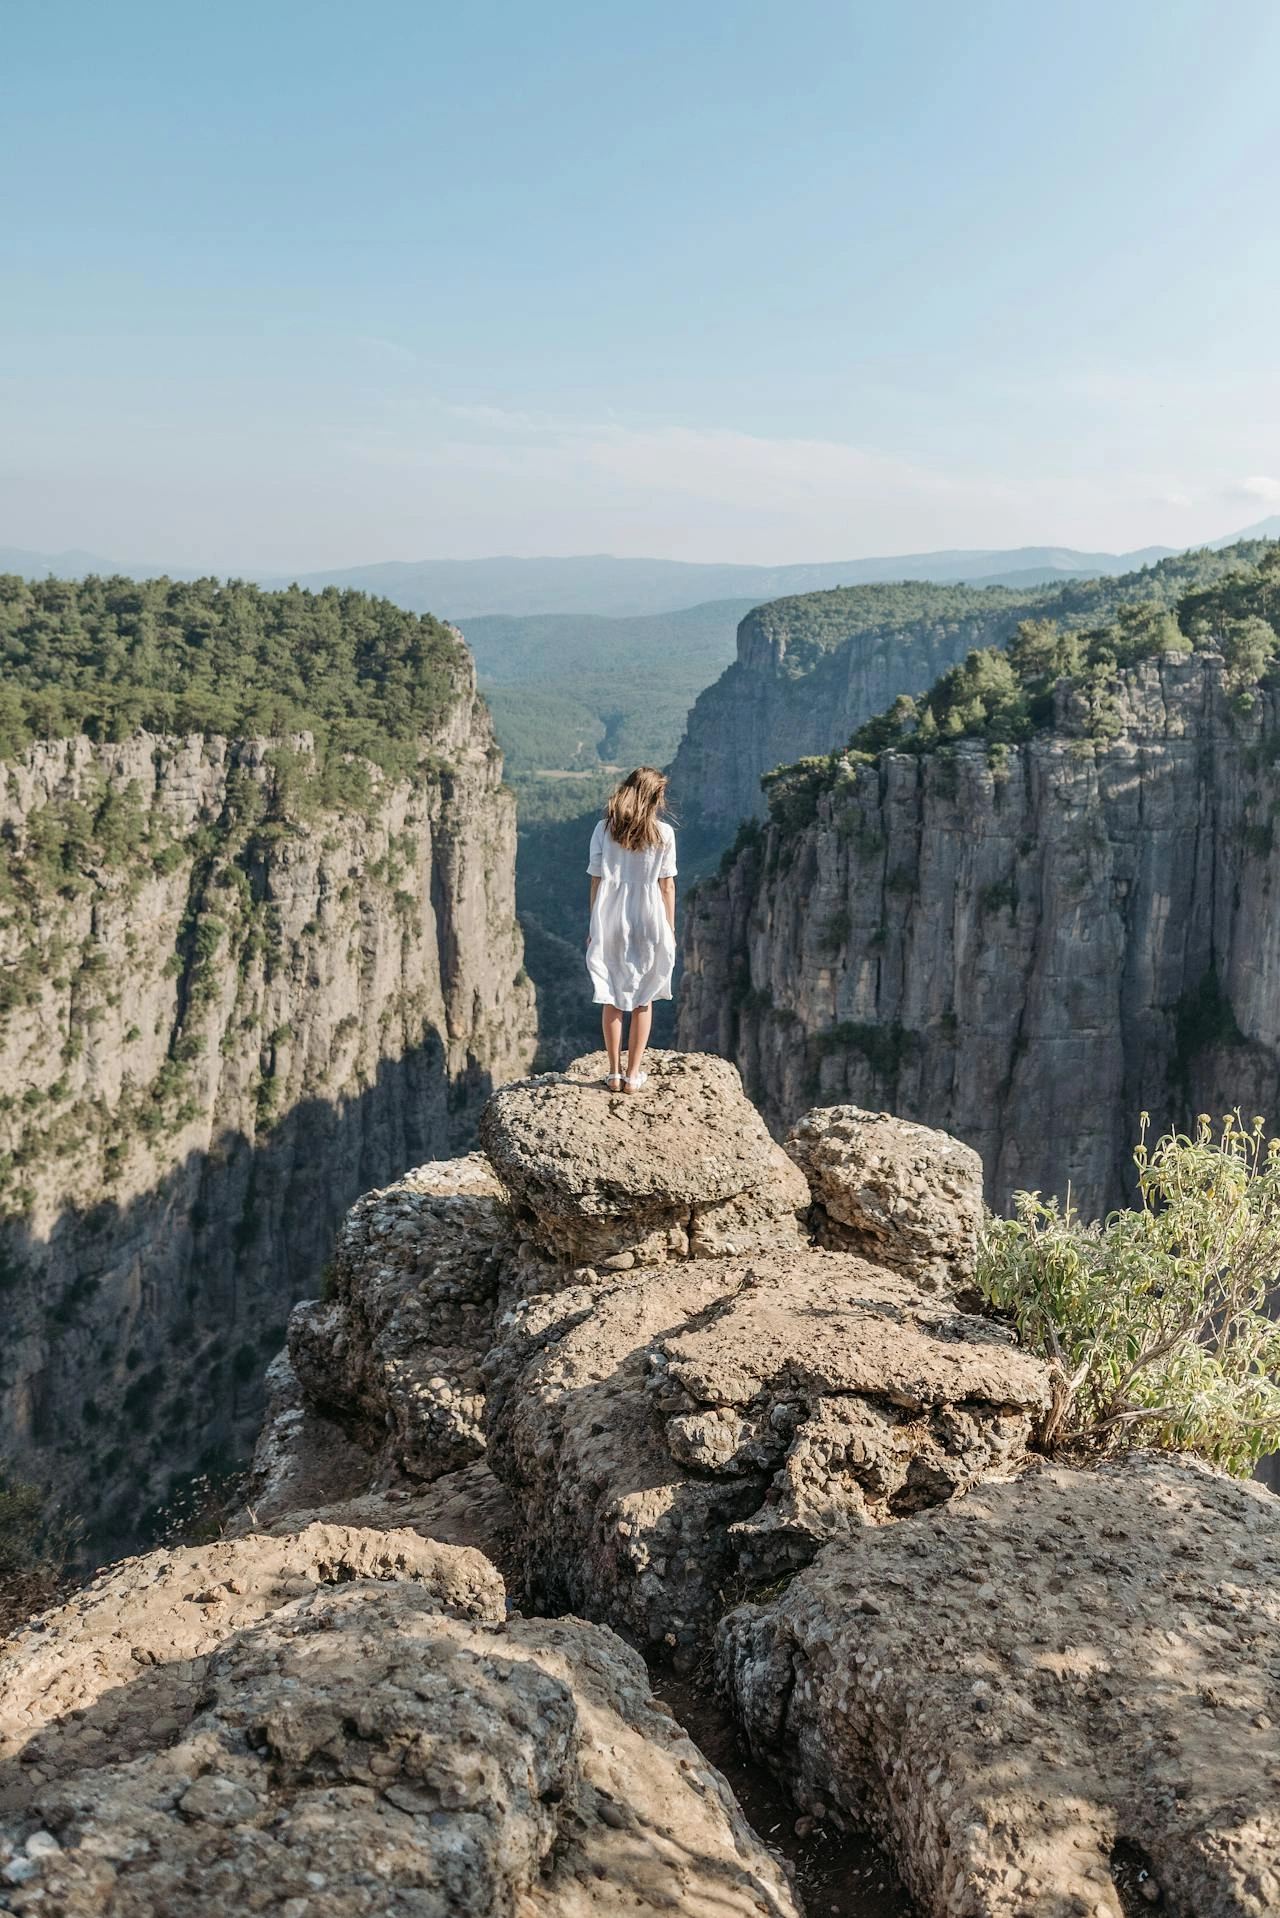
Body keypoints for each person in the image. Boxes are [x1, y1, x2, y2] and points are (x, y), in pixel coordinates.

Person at [586, 767, 677, 1092]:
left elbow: (596, 879)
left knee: (612, 995)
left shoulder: (604, 829)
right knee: (643, 999)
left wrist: (594, 924)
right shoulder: (664, 834)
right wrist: (670, 929)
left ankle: (613, 1072)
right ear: (654, 798)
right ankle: (633, 1074)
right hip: (649, 917)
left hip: (611, 917)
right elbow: (667, 887)